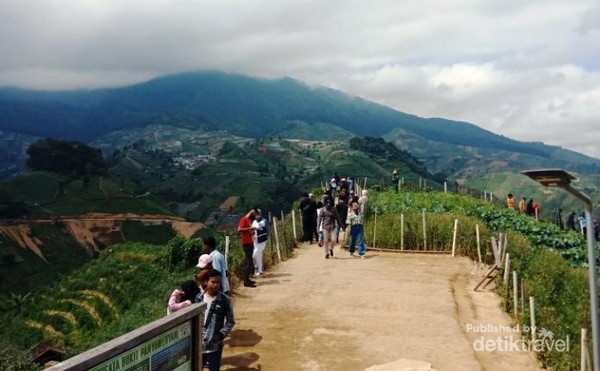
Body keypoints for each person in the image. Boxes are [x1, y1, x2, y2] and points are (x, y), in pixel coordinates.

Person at [195, 269, 235, 371]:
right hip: (198, 344)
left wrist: (222, 334)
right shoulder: (198, 298)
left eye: (218, 282)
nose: (216, 285)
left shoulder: (224, 300)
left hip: (214, 345)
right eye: (213, 282)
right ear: (206, 282)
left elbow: (231, 321)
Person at [237, 209, 257, 287]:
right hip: (246, 243)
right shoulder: (244, 219)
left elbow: (248, 232)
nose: (254, 217)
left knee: (249, 262)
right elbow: (239, 229)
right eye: (254, 215)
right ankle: (246, 281)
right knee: (249, 262)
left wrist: (252, 231)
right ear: (251, 213)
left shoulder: (248, 220)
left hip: (249, 242)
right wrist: (250, 229)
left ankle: (247, 279)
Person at [252, 208, 268, 277]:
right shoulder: (254, 221)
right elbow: (252, 229)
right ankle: (260, 271)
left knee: (254, 255)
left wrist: (252, 228)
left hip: (262, 241)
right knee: (258, 256)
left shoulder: (264, 221)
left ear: (260, 214)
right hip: (255, 241)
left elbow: (259, 227)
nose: (256, 215)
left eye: (257, 214)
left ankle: (256, 268)